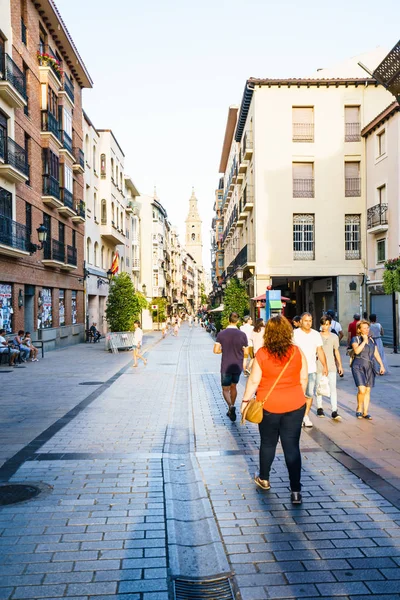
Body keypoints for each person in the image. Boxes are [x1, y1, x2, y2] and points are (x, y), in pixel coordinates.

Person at [241, 315, 308, 505]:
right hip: (295, 405)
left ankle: (264, 479)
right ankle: (295, 491)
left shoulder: (262, 353)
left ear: (268, 333)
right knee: (292, 447)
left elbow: (254, 380)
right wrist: (296, 396)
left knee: (268, 443)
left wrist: (245, 401)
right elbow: (304, 379)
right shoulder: (297, 352)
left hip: (268, 406)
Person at [293, 312, 328, 427]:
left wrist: (325, 366)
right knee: (297, 394)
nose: (308, 323)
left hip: (311, 370)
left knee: (309, 394)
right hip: (296, 370)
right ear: (301, 321)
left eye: (310, 320)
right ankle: (295, 416)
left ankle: (305, 416)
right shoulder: (294, 334)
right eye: (306, 320)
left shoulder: (316, 334)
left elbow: (320, 350)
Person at [213, 312, 248, 422]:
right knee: (234, 387)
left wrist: (224, 350)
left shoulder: (221, 334)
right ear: (237, 321)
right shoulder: (242, 335)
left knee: (225, 389)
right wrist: (244, 362)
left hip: (226, 365)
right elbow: (246, 351)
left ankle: (230, 406)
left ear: (228, 320)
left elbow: (216, 350)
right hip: (237, 365)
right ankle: (232, 405)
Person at [351, 320, 385, 420]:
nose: (366, 330)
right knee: (361, 390)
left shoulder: (372, 340)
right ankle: (359, 408)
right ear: (359, 329)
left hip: (370, 366)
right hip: (358, 366)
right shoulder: (355, 339)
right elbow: (356, 351)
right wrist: (364, 341)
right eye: (364, 328)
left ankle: (365, 412)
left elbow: (376, 353)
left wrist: (381, 365)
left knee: (368, 390)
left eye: (367, 328)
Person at [316, 316, 343, 420]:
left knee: (333, 388)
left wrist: (339, 365)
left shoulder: (334, 337)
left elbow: (336, 351)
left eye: (327, 324)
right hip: (319, 364)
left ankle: (334, 410)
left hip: (331, 365)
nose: (325, 326)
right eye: (323, 324)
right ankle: (319, 408)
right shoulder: (317, 336)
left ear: (330, 325)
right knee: (319, 387)